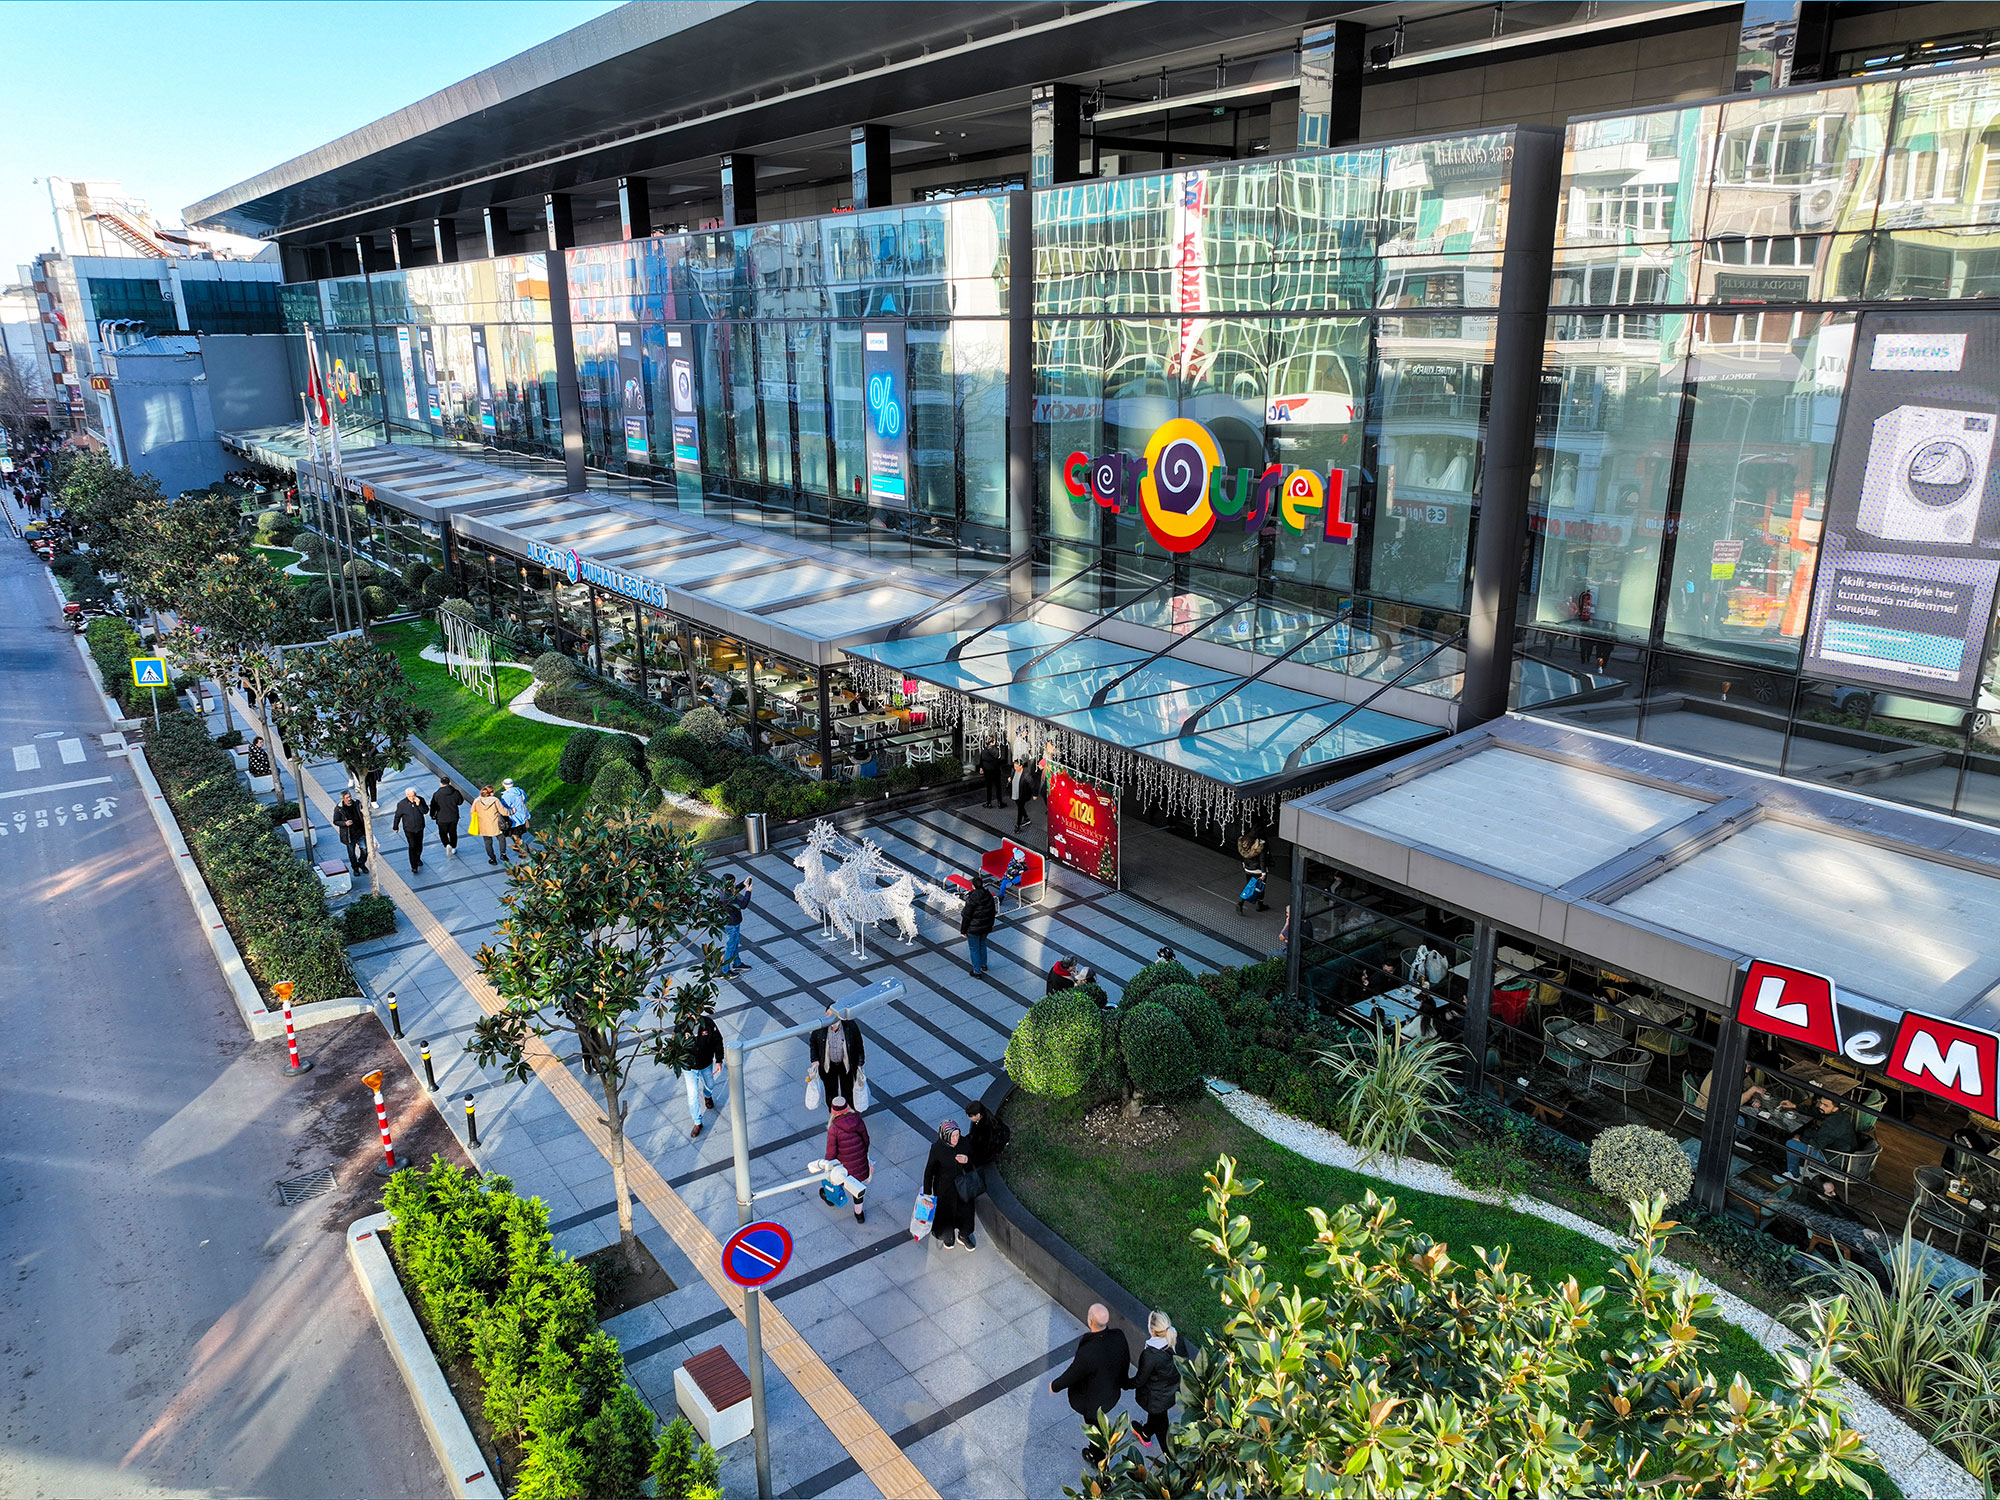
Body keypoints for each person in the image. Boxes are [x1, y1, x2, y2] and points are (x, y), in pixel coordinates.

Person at [1051, 1303, 1130, 1463]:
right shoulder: (1118, 1336)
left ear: (1091, 1322)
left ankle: (1097, 1455)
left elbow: (1073, 1373)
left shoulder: (1089, 1352)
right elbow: (1125, 1360)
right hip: (1112, 1393)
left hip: (1093, 1403)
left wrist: (1055, 1385)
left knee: (1094, 1427)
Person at [1127, 1310, 1179, 1451]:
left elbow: (1140, 1380)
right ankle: (1146, 1433)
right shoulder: (1175, 1339)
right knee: (1157, 1417)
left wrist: (1125, 1383)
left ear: (1152, 1331)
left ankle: (1171, 1459)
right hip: (1170, 1391)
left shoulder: (1150, 1355)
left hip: (1155, 1397)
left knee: (1163, 1430)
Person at [922, 1120, 977, 1252]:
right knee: (945, 1215)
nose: (956, 1139)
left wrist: (967, 1161)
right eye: (952, 1136)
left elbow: (974, 1162)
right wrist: (927, 1194)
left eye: (957, 1135)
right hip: (944, 1188)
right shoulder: (937, 1149)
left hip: (962, 1186)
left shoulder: (964, 1143)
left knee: (966, 1212)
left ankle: (963, 1235)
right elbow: (929, 1172)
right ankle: (948, 1237)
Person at [1782, 1094, 1861, 1182]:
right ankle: (1812, 1170)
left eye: (1825, 1105)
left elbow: (1818, 1144)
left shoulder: (1833, 1123)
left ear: (1835, 1108)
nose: (1821, 1106)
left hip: (1835, 1159)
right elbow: (1816, 1111)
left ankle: (1794, 1176)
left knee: (1791, 1144)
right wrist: (1794, 1106)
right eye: (1821, 1103)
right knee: (1808, 1132)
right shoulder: (1838, 1114)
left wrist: (1800, 1139)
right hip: (1840, 1150)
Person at [822, 1094, 870, 1223]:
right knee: (857, 1189)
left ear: (833, 1111)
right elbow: (866, 1139)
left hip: (844, 1166)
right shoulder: (857, 1119)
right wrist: (862, 1154)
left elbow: (831, 1152)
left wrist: (827, 1166)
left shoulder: (834, 1128)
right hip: (860, 1161)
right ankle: (859, 1214)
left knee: (838, 1182)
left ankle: (831, 1199)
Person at [810, 1003, 866, 1108]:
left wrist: (860, 1063)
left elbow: (859, 1044)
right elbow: (813, 1042)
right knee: (831, 1092)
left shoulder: (850, 1026)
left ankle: (849, 1112)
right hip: (828, 1065)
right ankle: (834, 1113)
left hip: (846, 1065)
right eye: (828, 1015)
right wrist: (814, 1060)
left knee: (848, 1091)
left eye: (833, 1016)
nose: (830, 1019)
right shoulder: (820, 1028)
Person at [681, 1011, 726, 1140]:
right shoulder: (682, 1026)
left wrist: (719, 1060)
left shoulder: (708, 1023)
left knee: (710, 1084)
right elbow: (675, 1045)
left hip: (706, 1063)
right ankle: (697, 1122)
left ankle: (707, 1095)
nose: (692, 1015)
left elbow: (717, 1040)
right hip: (689, 1067)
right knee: (692, 1095)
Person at [959, 873, 997, 976]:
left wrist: (963, 931)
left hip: (973, 929)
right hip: (986, 926)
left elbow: (966, 916)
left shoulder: (971, 899)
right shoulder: (988, 896)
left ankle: (976, 971)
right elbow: (993, 912)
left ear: (973, 886)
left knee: (974, 949)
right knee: (982, 944)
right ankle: (984, 965)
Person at [391, 787, 428, 873]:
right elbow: (397, 816)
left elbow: (425, 811)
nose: (413, 798)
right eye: (411, 796)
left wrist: (419, 805)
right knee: (412, 846)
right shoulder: (402, 804)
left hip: (419, 827)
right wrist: (395, 827)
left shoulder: (420, 800)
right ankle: (413, 865)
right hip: (409, 829)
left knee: (419, 845)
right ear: (407, 795)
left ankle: (418, 858)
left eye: (414, 795)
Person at [468, 784, 507, 865]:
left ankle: (492, 859)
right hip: (496, 825)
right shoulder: (495, 800)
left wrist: (476, 802)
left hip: (484, 826)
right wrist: (512, 811)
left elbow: (472, 811)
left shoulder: (477, 801)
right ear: (490, 793)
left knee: (488, 842)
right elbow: (503, 812)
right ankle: (503, 854)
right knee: (501, 839)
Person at [721, 875, 752, 975]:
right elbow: (743, 905)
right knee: (730, 947)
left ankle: (737, 963)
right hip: (732, 924)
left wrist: (743, 884)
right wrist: (748, 892)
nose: (735, 884)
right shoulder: (728, 897)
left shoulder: (724, 891)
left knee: (734, 944)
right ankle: (725, 970)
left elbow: (734, 891)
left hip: (732, 923)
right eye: (734, 882)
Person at [332, 790, 367, 873]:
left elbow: (363, 812)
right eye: (347, 798)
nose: (349, 799)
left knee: (365, 849)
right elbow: (335, 821)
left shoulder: (357, 803)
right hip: (349, 835)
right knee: (351, 853)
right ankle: (355, 868)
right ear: (343, 799)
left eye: (350, 796)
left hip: (360, 832)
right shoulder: (339, 808)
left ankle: (361, 863)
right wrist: (345, 823)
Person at [430, 779, 465, 859]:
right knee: (453, 832)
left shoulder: (437, 794)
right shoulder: (455, 792)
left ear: (440, 784)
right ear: (449, 783)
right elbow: (460, 802)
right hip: (453, 816)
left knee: (443, 833)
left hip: (441, 817)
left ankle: (447, 844)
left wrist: (432, 815)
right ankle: (453, 847)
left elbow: (433, 806)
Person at [1237, 831, 1269, 914]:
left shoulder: (1245, 843)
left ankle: (1241, 903)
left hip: (1248, 869)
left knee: (1249, 886)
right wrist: (1263, 873)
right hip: (1258, 871)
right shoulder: (1260, 847)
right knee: (1260, 888)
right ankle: (1259, 905)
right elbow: (1262, 860)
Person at [499, 777, 531, 858]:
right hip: (523, 816)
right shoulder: (520, 791)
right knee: (519, 834)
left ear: (504, 786)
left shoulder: (506, 796)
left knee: (516, 836)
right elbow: (525, 800)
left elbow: (504, 808)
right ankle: (519, 846)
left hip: (514, 819)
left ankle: (523, 851)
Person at [978, 734, 1007, 809]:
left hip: (987, 770)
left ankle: (989, 803)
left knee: (989, 787)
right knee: (998, 786)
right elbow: (1001, 759)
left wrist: (981, 767)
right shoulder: (996, 750)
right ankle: (1000, 802)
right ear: (992, 742)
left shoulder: (984, 750)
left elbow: (981, 759)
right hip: (995, 770)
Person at [1011, 759, 1039, 832]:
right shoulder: (1014, 770)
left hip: (1022, 794)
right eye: (1014, 766)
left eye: (1017, 767)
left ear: (1021, 766)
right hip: (1015, 792)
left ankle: (1018, 825)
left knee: (1020, 809)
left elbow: (1032, 784)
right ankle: (1026, 818)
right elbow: (1013, 777)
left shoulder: (1026, 774)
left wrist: (1035, 794)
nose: (1015, 768)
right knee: (1020, 806)